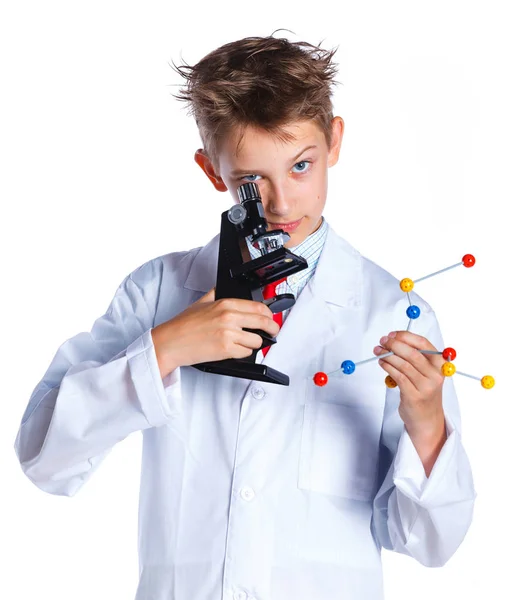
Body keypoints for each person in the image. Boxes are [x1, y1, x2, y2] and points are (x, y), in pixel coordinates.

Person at [14, 34, 476, 600]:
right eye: (251, 180)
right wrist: (164, 349)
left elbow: (430, 542)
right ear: (212, 171)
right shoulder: (158, 291)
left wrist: (427, 422)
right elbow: (45, 457)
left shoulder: (391, 312)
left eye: (301, 165)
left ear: (333, 141)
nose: (281, 202)